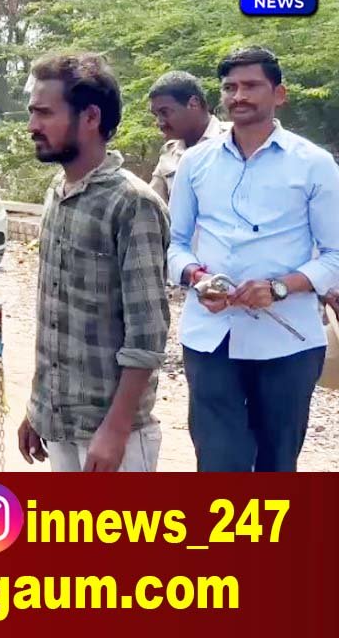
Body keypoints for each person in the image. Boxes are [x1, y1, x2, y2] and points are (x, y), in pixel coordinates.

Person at [169, 46, 339, 472]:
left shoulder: (314, 164)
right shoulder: (194, 162)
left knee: (276, 463)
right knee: (218, 460)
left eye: (250, 86)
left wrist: (279, 287)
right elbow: (174, 244)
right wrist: (196, 277)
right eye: (230, 87)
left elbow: (335, 255)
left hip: (287, 341)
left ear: (279, 94)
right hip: (211, 336)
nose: (238, 96)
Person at [17, 52, 171, 472]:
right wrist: (37, 407)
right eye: (32, 112)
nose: (32, 126)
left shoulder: (132, 203)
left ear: (90, 117)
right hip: (60, 425)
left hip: (113, 434)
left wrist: (116, 430)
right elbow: (56, 317)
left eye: (45, 113)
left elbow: (147, 334)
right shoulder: (57, 193)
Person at [147, 70, 230, 203]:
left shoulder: (235, 138)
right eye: (156, 115)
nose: (159, 122)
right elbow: (154, 203)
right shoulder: (170, 153)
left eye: (165, 112)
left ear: (193, 103)